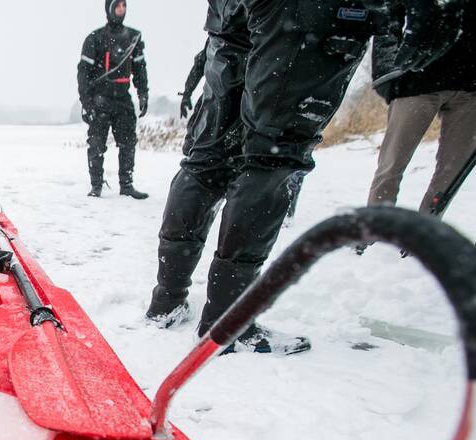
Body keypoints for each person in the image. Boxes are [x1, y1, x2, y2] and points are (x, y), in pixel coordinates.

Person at [144, 0, 448, 355]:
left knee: (207, 158)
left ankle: (168, 300)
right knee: (272, 157)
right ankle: (227, 325)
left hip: (234, 11)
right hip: (306, 17)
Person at [367, 0, 476, 214]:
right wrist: (386, 73)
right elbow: (390, 11)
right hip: (418, 79)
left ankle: (426, 233)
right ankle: (375, 226)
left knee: (453, 172)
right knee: (392, 164)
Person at [77, 0, 149, 200]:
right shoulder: (95, 38)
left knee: (128, 143)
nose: (121, 10)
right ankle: (96, 185)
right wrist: (87, 102)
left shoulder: (134, 37)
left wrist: (143, 93)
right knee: (97, 144)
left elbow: (140, 69)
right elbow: (83, 73)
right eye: (117, 6)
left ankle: (126, 185)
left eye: (124, 6)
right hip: (100, 99)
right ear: (109, 9)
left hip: (123, 100)